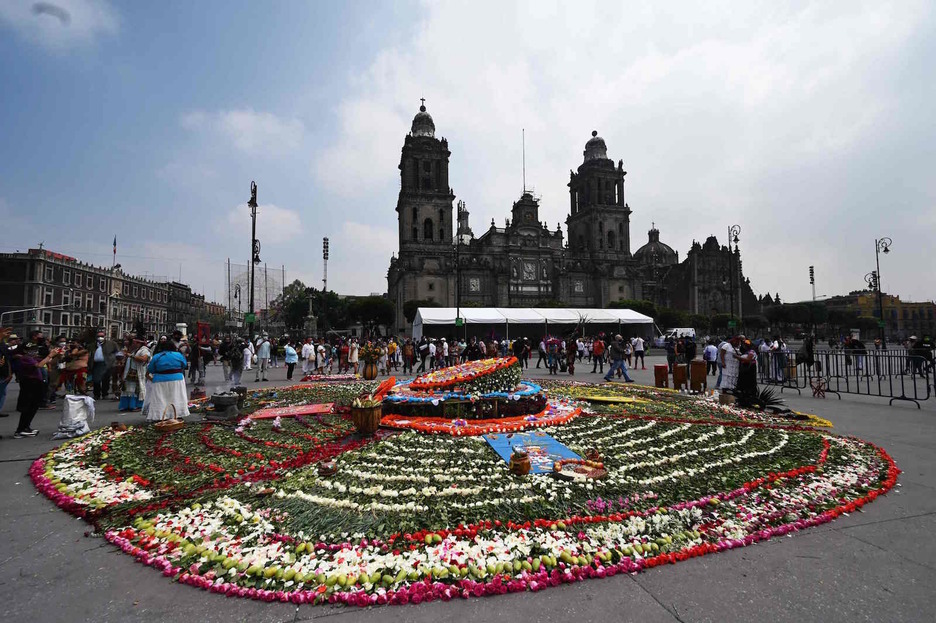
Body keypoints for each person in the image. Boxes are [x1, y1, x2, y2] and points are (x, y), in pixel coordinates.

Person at [10, 342, 59, 437]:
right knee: (27, 408)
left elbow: (47, 361)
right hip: (29, 384)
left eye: (35, 349)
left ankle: (26, 427)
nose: (34, 351)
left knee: (34, 406)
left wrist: (55, 355)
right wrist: (50, 355)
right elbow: (39, 365)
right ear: (25, 350)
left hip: (36, 384)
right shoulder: (25, 358)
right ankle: (20, 429)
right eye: (31, 350)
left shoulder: (33, 358)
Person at [144, 338, 190, 422]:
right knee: (176, 397)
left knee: (161, 398)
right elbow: (184, 365)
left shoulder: (157, 356)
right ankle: (178, 414)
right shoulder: (178, 355)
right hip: (177, 380)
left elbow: (150, 369)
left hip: (160, 380)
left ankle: (160, 415)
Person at [119, 337, 150, 412]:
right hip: (130, 371)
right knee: (128, 389)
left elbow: (144, 359)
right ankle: (127, 405)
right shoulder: (135, 350)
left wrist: (131, 355)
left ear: (139, 343)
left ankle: (137, 405)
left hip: (138, 372)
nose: (133, 344)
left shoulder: (144, 350)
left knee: (137, 390)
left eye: (134, 343)